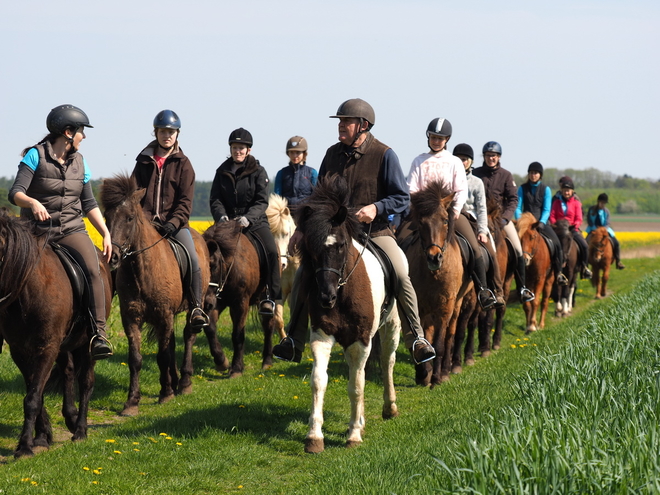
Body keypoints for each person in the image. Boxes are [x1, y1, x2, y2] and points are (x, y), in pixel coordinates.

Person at [273, 98, 435, 364]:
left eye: (346, 121)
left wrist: (377, 207)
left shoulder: (385, 154)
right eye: (339, 121)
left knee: (401, 271)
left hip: (375, 231)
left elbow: (401, 197)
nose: (341, 126)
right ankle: (294, 339)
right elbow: (317, 199)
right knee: (304, 273)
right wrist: (301, 230)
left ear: (363, 125)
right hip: (336, 233)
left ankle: (416, 338)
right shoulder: (331, 154)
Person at [8, 104, 113, 359]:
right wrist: (32, 202)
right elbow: (16, 193)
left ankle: (98, 333)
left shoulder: (81, 162)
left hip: (70, 230)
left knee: (93, 269)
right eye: (81, 132)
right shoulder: (35, 156)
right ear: (68, 132)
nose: (83, 137)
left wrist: (106, 232)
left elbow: (88, 204)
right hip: (36, 231)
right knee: (10, 268)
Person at [406, 119, 498, 310]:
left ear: (446, 139)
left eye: (440, 138)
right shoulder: (419, 160)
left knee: (474, 246)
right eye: (433, 137)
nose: (436, 141)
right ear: (428, 137)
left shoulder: (454, 161)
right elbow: (412, 189)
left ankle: (483, 290)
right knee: (400, 240)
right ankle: (393, 288)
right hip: (423, 214)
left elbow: (461, 189)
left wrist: (455, 211)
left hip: (450, 213)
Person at [131, 109, 210, 331]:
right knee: (123, 256)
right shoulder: (143, 161)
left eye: (172, 132)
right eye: (163, 131)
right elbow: (133, 194)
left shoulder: (184, 164)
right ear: (156, 132)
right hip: (145, 225)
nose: (168, 135)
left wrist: (173, 223)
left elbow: (185, 202)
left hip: (174, 225)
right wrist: (140, 221)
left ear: (177, 134)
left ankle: (196, 307)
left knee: (193, 259)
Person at [209, 128, 282, 315]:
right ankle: (207, 293)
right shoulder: (221, 171)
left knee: (272, 251)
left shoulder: (258, 171)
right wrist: (221, 217)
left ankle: (270, 297)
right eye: (234, 147)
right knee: (207, 248)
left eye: (241, 148)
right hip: (227, 222)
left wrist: (248, 218)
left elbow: (261, 201)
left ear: (248, 150)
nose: (238, 151)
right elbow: (215, 199)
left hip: (255, 222)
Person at [473, 142, 535, 302]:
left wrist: (505, 218)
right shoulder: (476, 173)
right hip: (478, 218)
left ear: (498, 157)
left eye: (493, 156)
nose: (491, 158)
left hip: (500, 220)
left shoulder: (506, 175)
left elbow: (513, 199)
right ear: (484, 157)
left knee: (517, 248)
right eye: (488, 156)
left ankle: (522, 288)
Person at [453, 143, 506, 308]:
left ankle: (495, 292)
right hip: (453, 218)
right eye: (459, 159)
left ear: (470, 161)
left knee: (490, 252)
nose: (462, 162)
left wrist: (483, 231)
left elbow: (482, 209)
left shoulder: (476, 182)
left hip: (473, 221)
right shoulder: (448, 179)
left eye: (465, 159)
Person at [515, 162, 569, 285]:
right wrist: (521, 221)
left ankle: (559, 273)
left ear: (540, 175)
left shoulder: (546, 189)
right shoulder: (522, 188)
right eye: (531, 173)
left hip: (540, 223)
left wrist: (542, 222)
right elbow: (518, 207)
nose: (533, 175)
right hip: (525, 224)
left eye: (536, 173)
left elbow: (546, 209)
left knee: (556, 244)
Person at [549, 176, 592, 279]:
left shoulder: (576, 203)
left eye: (568, 191)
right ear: (561, 191)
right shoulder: (556, 202)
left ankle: (584, 267)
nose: (566, 192)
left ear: (572, 191)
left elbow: (579, 218)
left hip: (572, 229)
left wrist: (575, 226)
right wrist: (556, 225)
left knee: (585, 246)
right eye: (564, 190)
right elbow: (552, 216)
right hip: (559, 229)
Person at [273, 136, 318, 210]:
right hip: (286, 214)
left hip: (306, 214)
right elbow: (277, 197)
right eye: (292, 152)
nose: (294, 156)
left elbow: (315, 196)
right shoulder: (281, 173)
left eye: (297, 152)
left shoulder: (312, 173)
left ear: (304, 153)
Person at [586, 193, 625, 270]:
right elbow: (589, 220)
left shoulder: (606, 211)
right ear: (598, 202)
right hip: (593, 230)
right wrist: (595, 229)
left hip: (604, 230)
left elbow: (607, 223)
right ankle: (585, 263)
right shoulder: (591, 209)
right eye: (601, 203)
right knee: (585, 242)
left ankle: (618, 261)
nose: (603, 204)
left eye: (604, 203)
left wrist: (603, 230)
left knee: (616, 243)